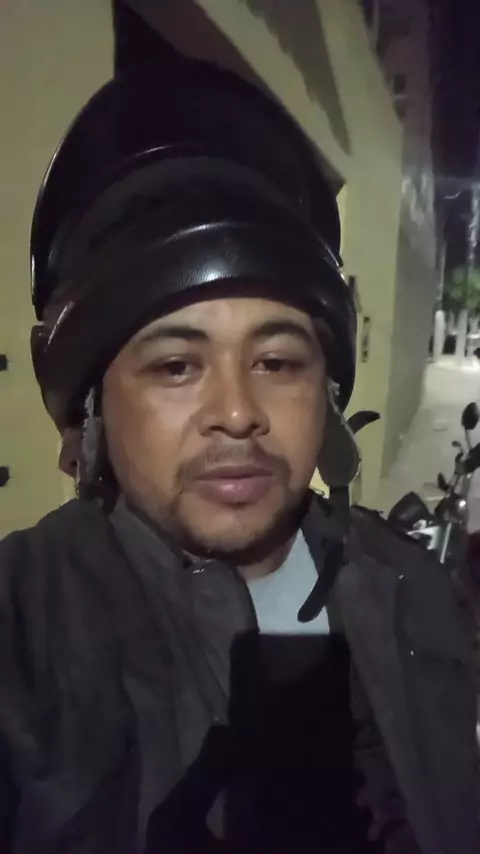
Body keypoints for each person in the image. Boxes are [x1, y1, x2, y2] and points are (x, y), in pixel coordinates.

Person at [0, 59, 478, 854]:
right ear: (93, 408)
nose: (236, 413)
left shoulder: (410, 587)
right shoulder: (22, 630)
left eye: (277, 362)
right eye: (175, 366)